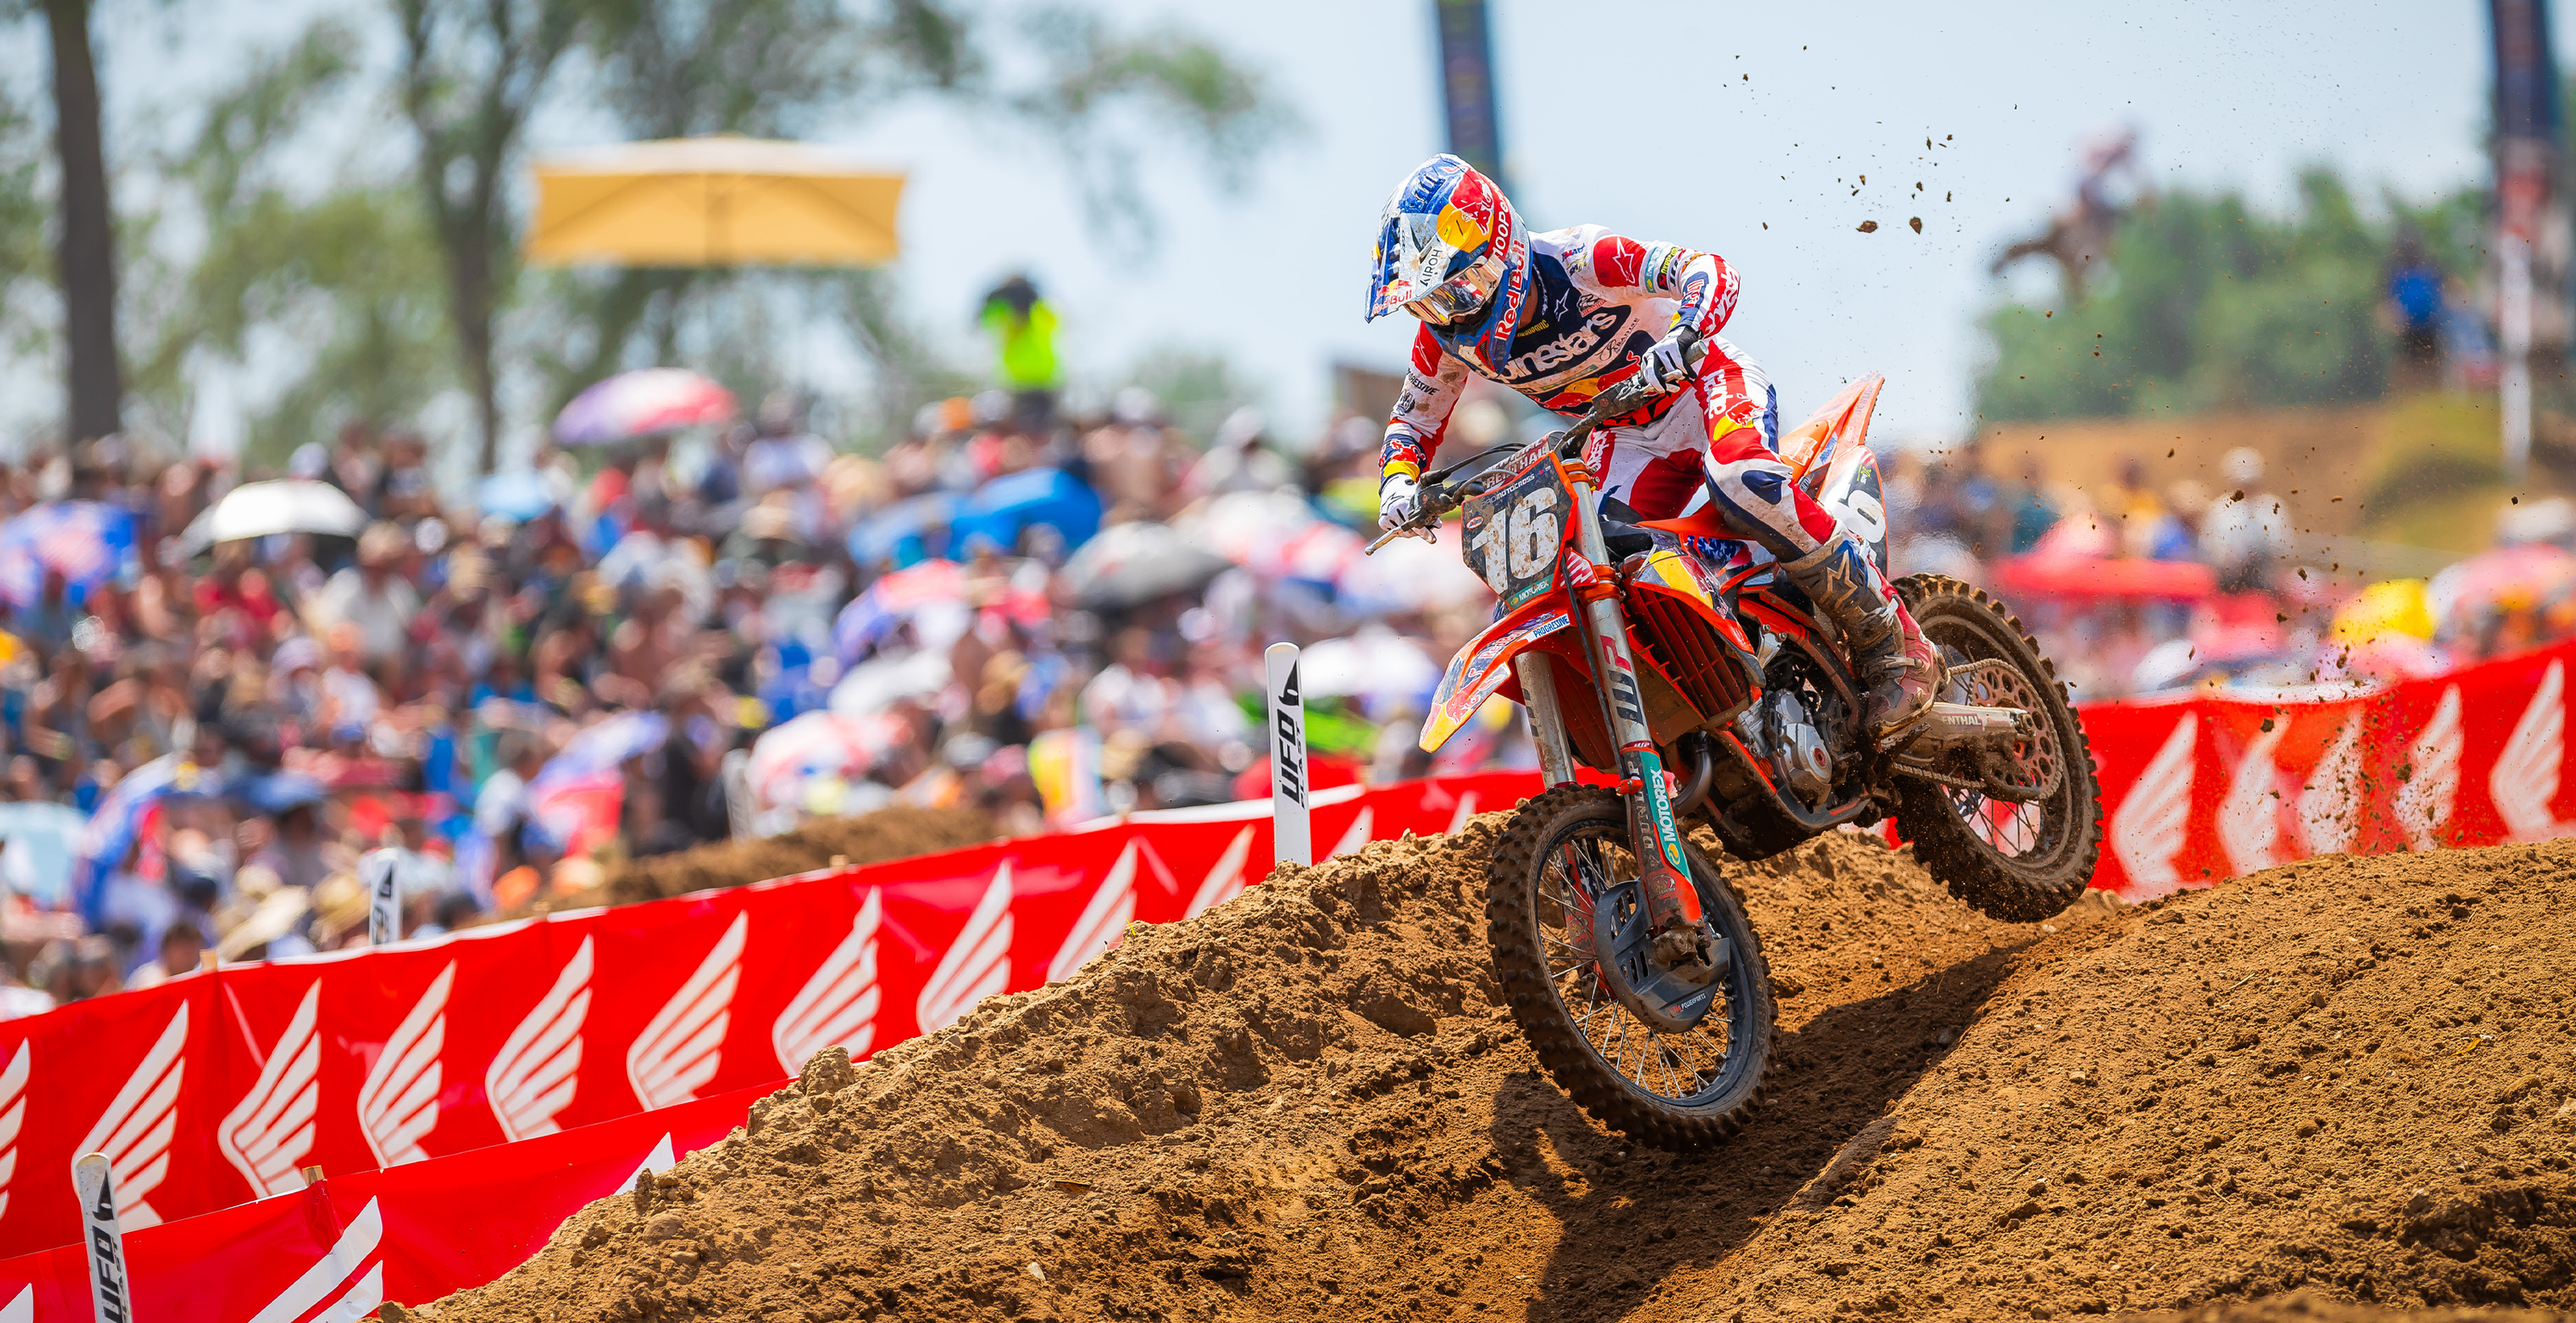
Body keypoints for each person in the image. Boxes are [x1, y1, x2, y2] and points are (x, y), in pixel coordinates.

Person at [1364, 155, 1936, 737]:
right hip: (1624, 434)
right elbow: (1412, 419)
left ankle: (1895, 641)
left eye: (1457, 290)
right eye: (1430, 303)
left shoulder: (1580, 259)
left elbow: (1705, 269)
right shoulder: (1447, 343)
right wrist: (1399, 484)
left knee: (1744, 480)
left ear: (1499, 246)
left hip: (1704, 383)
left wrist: (1687, 331)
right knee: (1595, 562)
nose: (1450, 312)